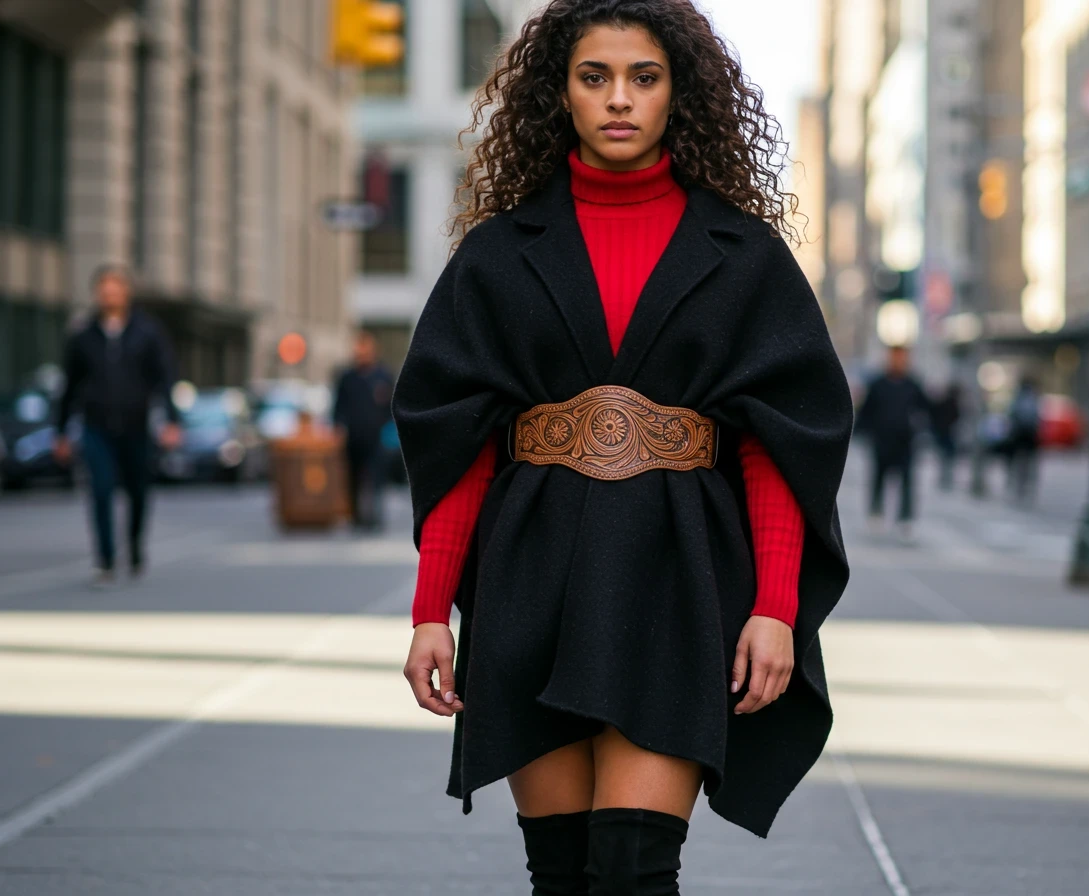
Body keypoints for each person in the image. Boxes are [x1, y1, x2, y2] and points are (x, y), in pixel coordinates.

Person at [391, 2, 854, 891]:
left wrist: (776, 608)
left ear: (678, 93)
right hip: (529, 583)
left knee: (636, 870)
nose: (618, 99)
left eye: (644, 77)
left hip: (679, 583)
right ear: (558, 93)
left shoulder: (744, 254)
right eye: (594, 77)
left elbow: (776, 446)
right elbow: (460, 444)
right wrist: (429, 612)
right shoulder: (496, 254)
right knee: (559, 876)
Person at [53, 264, 182, 586]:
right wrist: (61, 431)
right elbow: (68, 386)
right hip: (96, 426)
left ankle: (135, 547)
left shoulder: (147, 332)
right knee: (100, 489)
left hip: (136, 426)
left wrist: (172, 420)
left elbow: (165, 378)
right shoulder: (83, 336)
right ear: (97, 294)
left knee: (138, 491)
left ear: (126, 293)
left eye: (115, 289)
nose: (109, 295)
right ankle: (106, 559)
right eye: (104, 290)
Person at [854, 345, 930, 540]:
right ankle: (876, 513)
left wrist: (920, 429)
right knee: (878, 479)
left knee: (906, 481)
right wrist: (862, 432)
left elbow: (925, 409)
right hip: (882, 441)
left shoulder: (913, 384)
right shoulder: (877, 384)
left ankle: (905, 519)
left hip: (905, 442)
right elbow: (866, 412)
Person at [332, 331, 395, 530]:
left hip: (377, 437)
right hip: (353, 436)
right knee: (353, 478)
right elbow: (339, 407)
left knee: (376, 478)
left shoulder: (383, 376)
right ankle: (355, 517)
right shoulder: (347, 377)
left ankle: (375, 516)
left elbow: (392, 406)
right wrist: (339, 426)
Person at [1007, 376, 1041, 504]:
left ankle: (1020, 484)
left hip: (1021, 434)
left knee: (1020, 460)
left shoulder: (1018, 399)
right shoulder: (1033, 399)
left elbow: (1012, 415)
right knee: (1027, 461)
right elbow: (1036, 418)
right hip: (1029, 435)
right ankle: (1025, 484)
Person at [929, 382, 962, 491]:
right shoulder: (951, 404)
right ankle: (945, 479)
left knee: (945, 458)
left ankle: (944, 479)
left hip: (944, 434)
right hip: (946, 434)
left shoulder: (945, 403)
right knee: (947, 458)